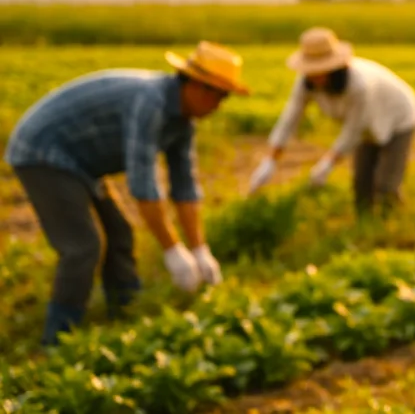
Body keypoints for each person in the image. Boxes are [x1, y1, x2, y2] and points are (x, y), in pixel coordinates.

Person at [4, 41, 248, 346]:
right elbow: (144, 185)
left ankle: (125, 313)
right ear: (198, 87)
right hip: (43, 151)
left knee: (119, 233)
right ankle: (58, 339)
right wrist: (173, 251)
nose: (219, 105)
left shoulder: (183, 123)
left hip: (83, 162)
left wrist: (200, 250)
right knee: (84, 247)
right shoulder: (151, 103)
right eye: (219, 96)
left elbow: (184, 187)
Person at [249, 26, 415, 217]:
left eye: (320, 70)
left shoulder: (358, 85)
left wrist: (327, 163)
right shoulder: (306, 83)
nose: (315, 75)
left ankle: (393, 222)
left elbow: (353, 130)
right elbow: (290, 117)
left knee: (385, 184)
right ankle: (365, 224)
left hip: (399, 117)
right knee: (361, 183)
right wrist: (270, 160)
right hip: (366, 125)